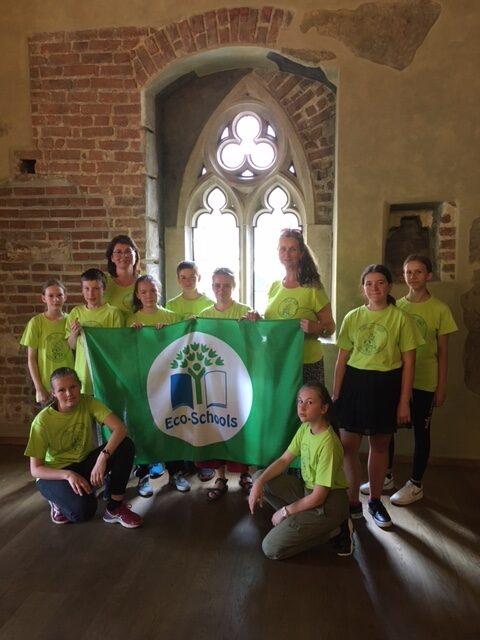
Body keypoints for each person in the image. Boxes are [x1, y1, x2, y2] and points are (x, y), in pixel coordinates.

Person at [332, 264, 423, 529]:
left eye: (380, 282)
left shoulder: (401, 318)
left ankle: (374, 501)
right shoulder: (353, 317)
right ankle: (352, 503)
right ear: (363, 288)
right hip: (354, 384)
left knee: (380, 446)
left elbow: (409, 364)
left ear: (389, 286)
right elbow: (342, 359)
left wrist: (403, 401)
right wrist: (337, 394)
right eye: (369, 283)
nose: (375, 288)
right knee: (348, 447)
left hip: (386, 386)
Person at [365, 255, 457, 506]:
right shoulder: (397, 307)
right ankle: (385, 476)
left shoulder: (440, 309)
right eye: (408, 272)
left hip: (425, 380)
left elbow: (443, 352)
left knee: (421, 431)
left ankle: (416, 484)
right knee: (388, 427)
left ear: (429, 275)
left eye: (418, 272)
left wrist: (441, 385)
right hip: (397, 378)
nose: (413, 276)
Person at [24, 367, 143, 528]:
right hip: (56, 474)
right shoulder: (42, 422)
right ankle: (57, 500)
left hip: (83, 463)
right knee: (83, 512)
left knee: (125, 445)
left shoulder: (88, 402)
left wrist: (103, 457)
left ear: (79, 386)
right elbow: (36, 470)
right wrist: (68, 475)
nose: (69, 393)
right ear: (54, 393)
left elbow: (120, 429)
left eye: (73, 387)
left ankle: (115, 508)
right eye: (62, 390)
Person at [248, 382, 353, 559]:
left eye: (310, 402)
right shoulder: (305, 428)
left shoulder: (328, 444)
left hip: (328, 503)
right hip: (308, 492)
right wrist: (258, 483)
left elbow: (319, 497)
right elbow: (284, 460)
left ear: (324, 408)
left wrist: (285, 511)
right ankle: (301, 521)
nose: (302, 407)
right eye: (300, 401)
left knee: (270, 548)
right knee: (260, 477)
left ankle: (336, 529)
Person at [126, 275, 189, 496]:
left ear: (159, 291)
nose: (149, 295)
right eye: (143, 291)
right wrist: (133, 334)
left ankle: (176, 472)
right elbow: (125, 351)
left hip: (169, 380)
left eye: (153, 290)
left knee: (174, 424)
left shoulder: (172, 317)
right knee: (144, 428)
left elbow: (182, 344)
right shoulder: (130, 320)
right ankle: (143, 475)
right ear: (137, 295)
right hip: (142, 381)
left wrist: (168, 333)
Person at [249, 229, 335, 385]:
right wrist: (258, 319)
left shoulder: (313, 288)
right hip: (278, 359)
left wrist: (316, 328)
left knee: (306, 401)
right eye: (283, 249)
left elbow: (330, 328)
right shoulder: (274, 287)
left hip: (306, 362)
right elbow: (273, 324)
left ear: (301, 253)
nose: (287, 254)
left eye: (292, 249)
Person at [197, 267, 252, 500]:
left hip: (238, 378)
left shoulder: (245, 311)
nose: (222, 289)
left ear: (233, 286)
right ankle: (220, 477)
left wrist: (256, 322)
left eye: (226, 285)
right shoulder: (204, 315)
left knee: (240, 425)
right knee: (217, 425)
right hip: (214, 380)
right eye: (217, 285)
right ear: (212, 287)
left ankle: (245, 474)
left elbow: (256, 340)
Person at [166, 260, 215, 482]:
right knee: (184, 412)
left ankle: (204, 461)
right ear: (178, 280)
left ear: (199, 278)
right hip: (180, 365)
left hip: (203, 365)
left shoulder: (208, 303)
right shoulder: (171, 305)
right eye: (183, 278)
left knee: (204, 412)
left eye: (192, 277)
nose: (188, 281)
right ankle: (186, 460)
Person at [65, 268, 123, 395]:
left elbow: (118, 347)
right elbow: (71, 346)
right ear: (82, 290)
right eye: (86, 288)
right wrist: (74, 333)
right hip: (82, 374)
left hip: (104, 373)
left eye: (96, 288)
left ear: (104, 289)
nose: (91, 294)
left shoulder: (113, 313)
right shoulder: (76, 312)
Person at [20, 278, 74, 405]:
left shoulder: (71, 320)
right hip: (47, 386)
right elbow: (31, 359)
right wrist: (39, 388)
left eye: (59, 295)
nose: (56, 299)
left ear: (65, 297)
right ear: (43, 298)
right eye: (51, 296)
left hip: (69, 384)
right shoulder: (36, 323)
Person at [103, 234, 141, 320]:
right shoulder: (103, 281)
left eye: (128, 251)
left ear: (135, 255)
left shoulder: (144, 283)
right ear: (112, 257)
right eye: (118, 252)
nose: (124, 256)